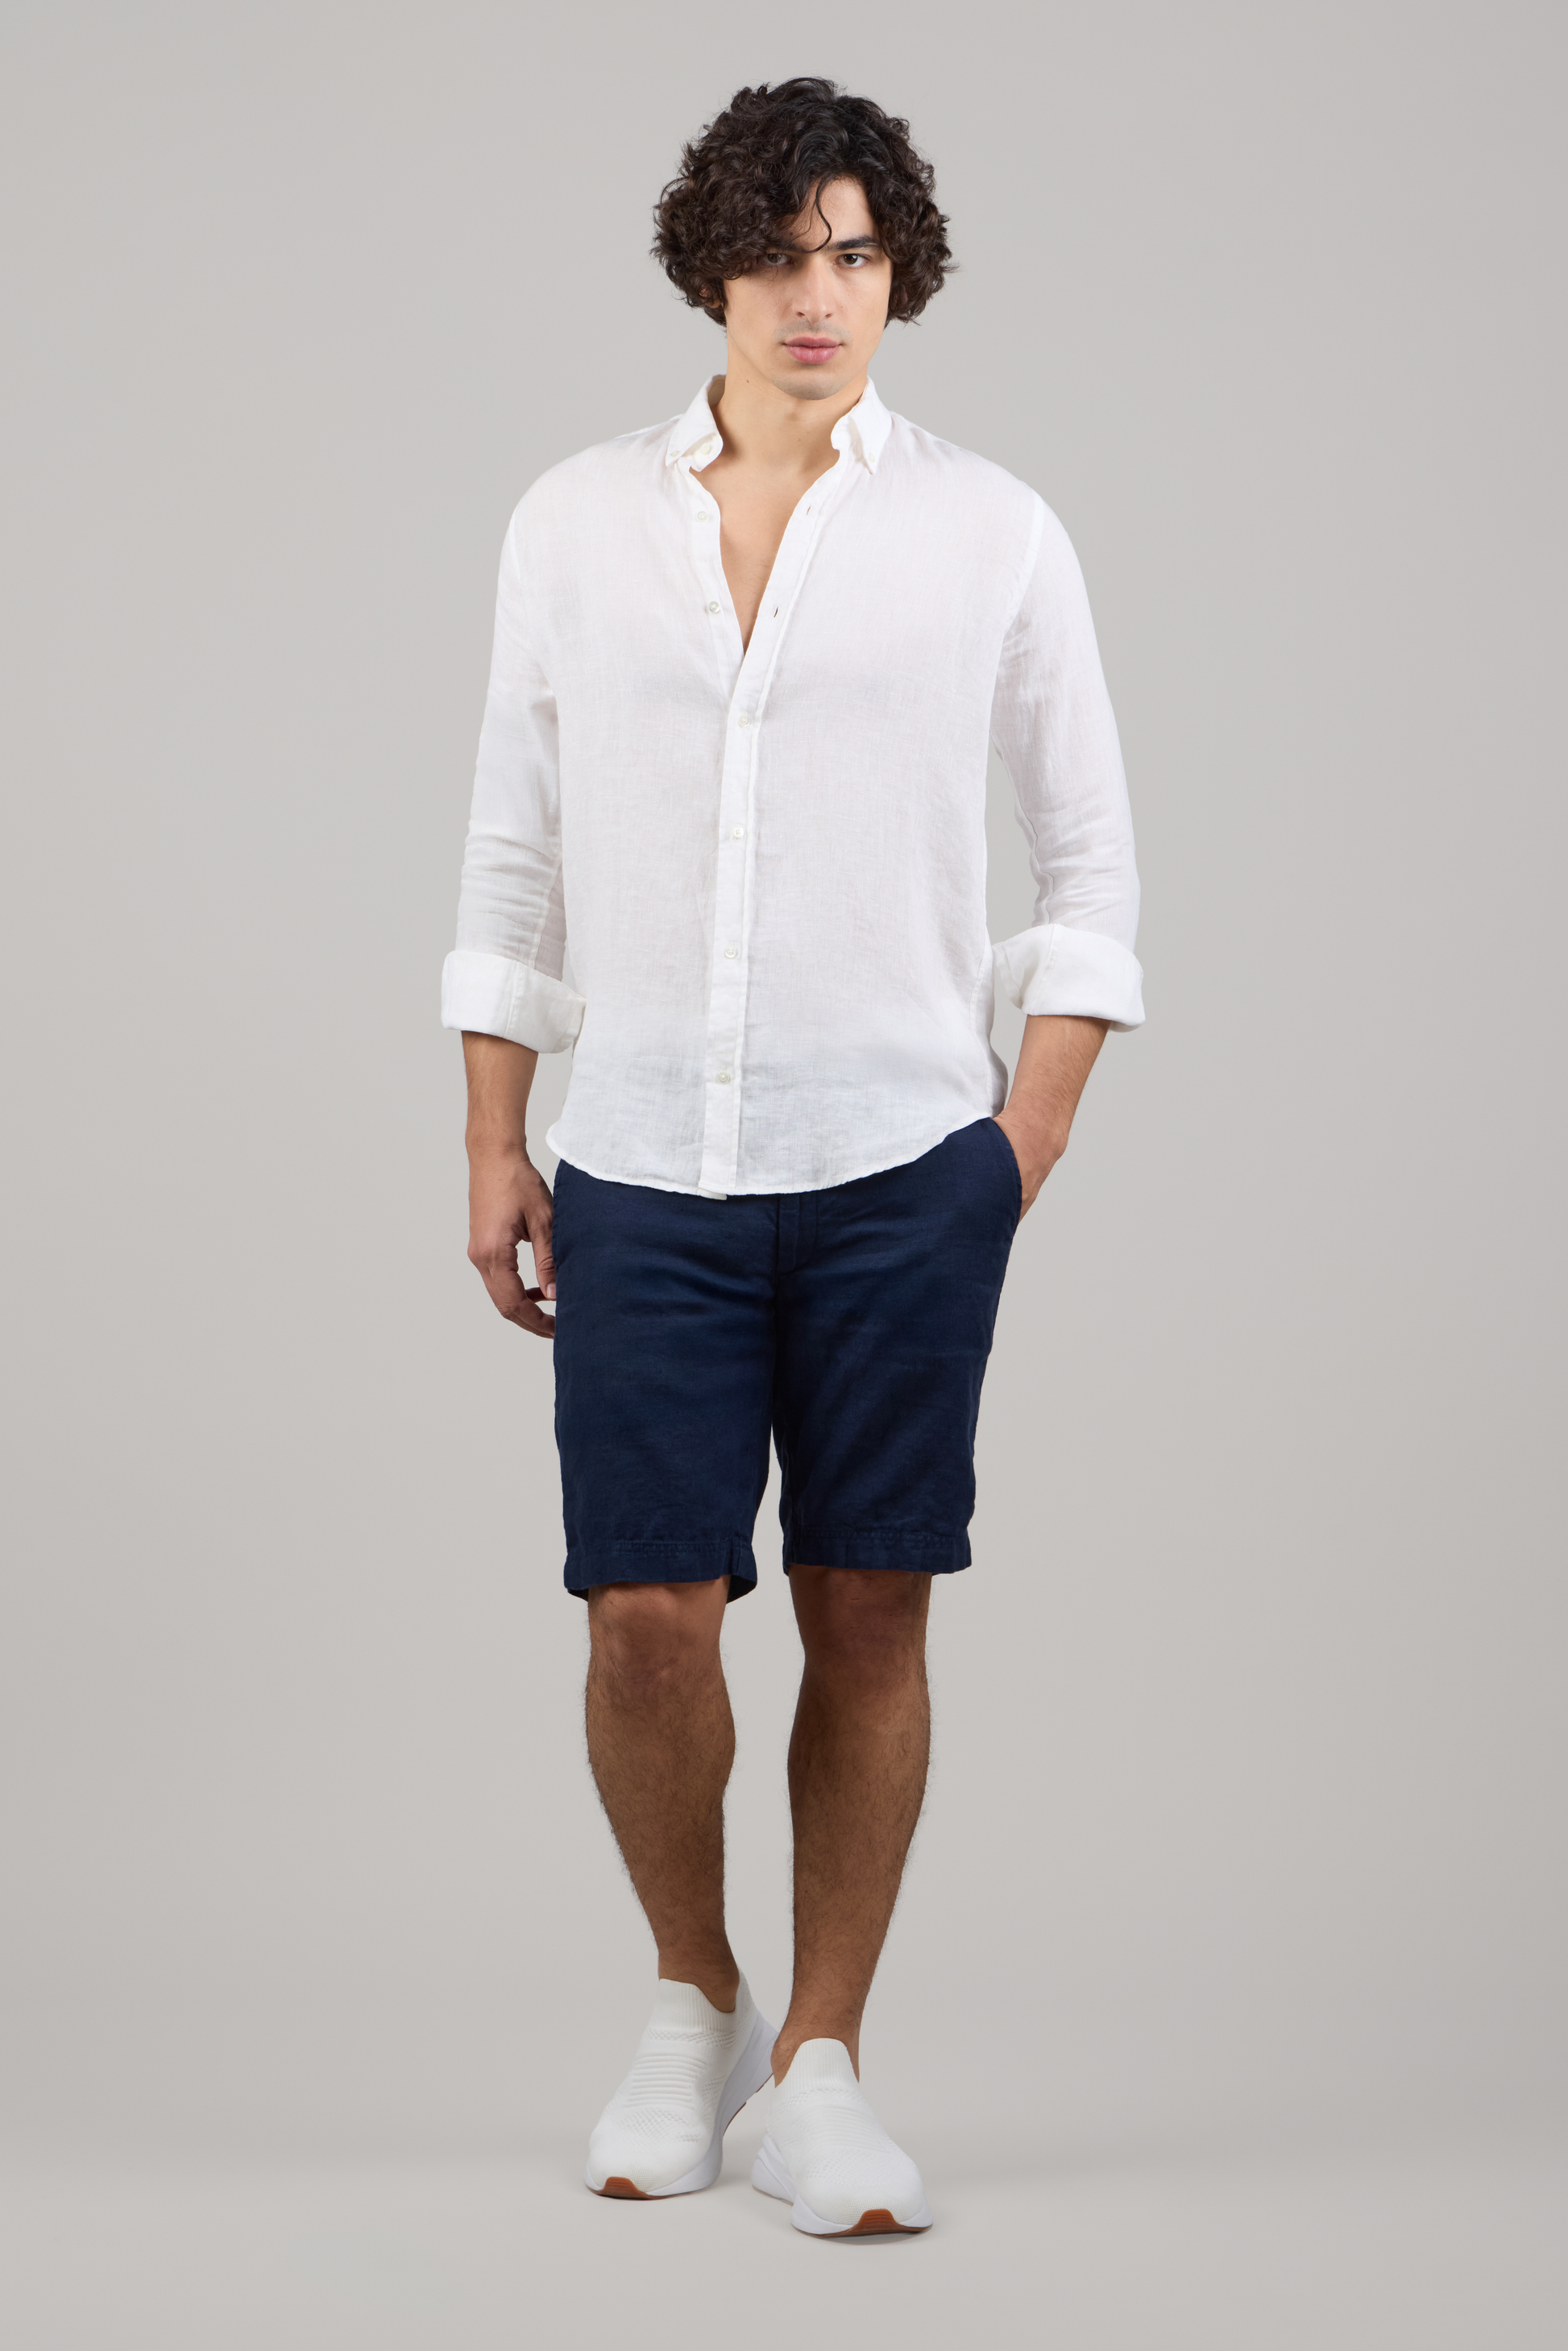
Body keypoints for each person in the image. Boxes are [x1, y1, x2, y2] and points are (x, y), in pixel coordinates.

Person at [442, 77, 1143, 2239]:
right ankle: (698, 1999)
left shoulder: (993, 531)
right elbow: (513, 848)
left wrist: (1012, 1150)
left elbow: (1094, 861)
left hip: (901, 1166)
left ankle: (826, 2059)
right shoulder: (573, 523)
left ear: (895, 267)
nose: (816, 294)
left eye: (852, 252)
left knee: (867, 1599)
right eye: (776, 252)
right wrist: (495, 1130)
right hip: (643, 1156)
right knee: (646, 1612)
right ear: (712, 271)